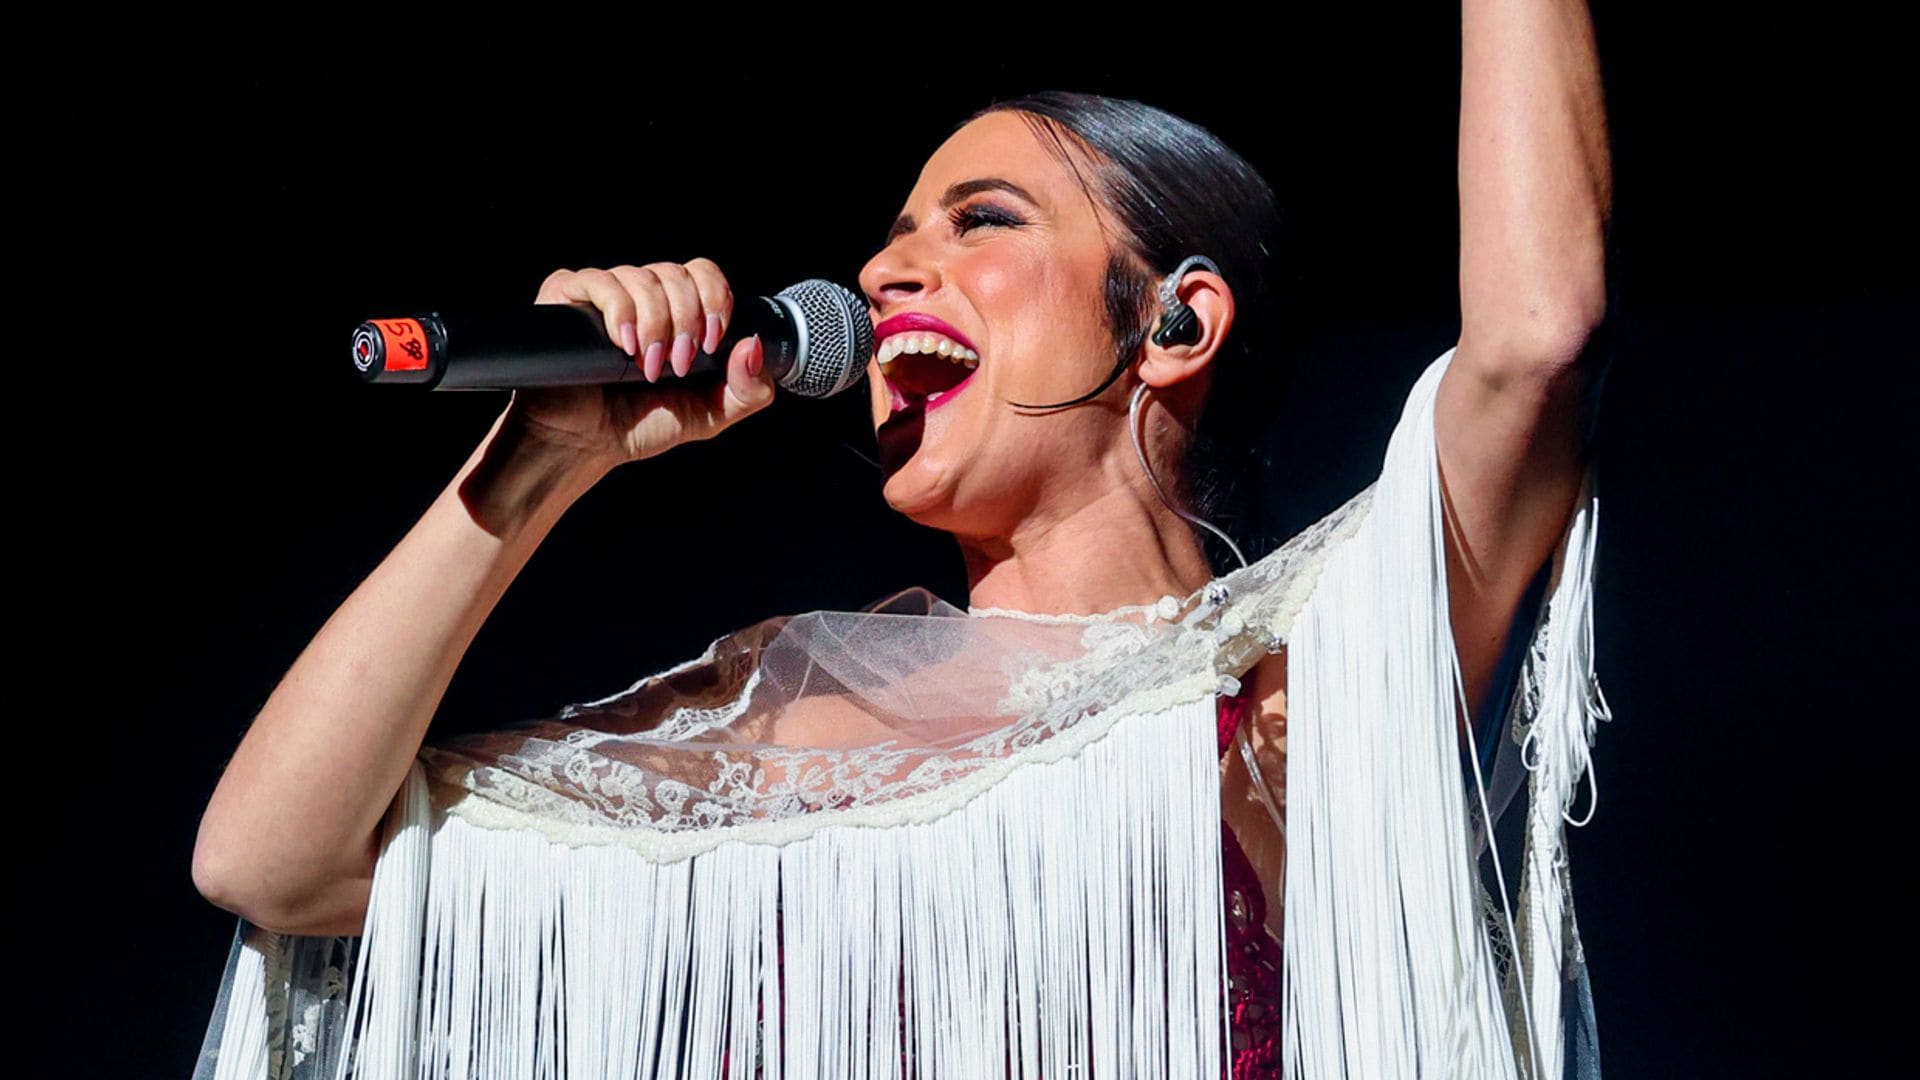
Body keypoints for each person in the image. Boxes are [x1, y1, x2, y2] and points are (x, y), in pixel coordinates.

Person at [193, 30, 1613, 1079]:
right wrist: (538, 459)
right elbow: (277, 858)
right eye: (890, 236)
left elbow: (1535, 342)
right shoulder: (784, 722)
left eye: (981, 222)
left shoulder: (1301, 684)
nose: (883, 273)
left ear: (1176, 324)